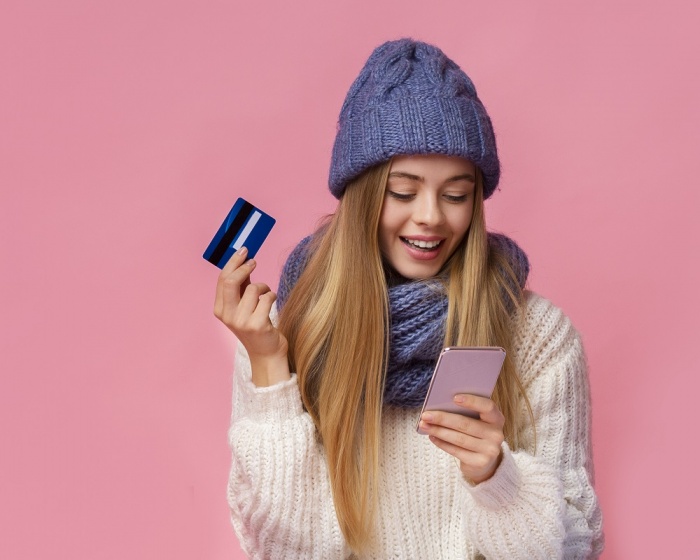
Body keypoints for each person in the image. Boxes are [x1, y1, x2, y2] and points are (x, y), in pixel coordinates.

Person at [214, 38, 604, 559]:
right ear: (362, 196)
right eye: (403, 191)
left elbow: (579, 545)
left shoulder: (536, 336)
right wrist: (268, 368)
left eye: (456, 194)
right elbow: (285, 550)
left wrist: (496, 478)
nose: (431, 216)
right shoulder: (288, 328)